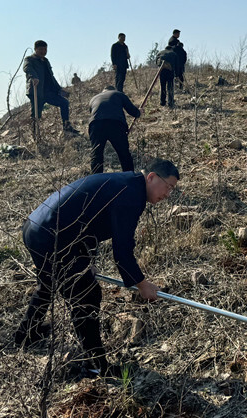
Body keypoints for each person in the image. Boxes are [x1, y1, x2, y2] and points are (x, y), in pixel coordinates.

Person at [14, 159, 179, 376]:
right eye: (168, 187)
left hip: (36, 227)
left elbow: (90, 221)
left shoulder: (125, 184)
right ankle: (95, 365)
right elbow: (122, 250)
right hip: (53, 235)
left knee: (49, 281)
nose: (168, 194)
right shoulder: (131, 195)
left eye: (172, 190)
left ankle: (27, 334)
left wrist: (86, 261)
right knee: (87, 295)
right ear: (151, 177)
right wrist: (141, 284)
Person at [24, 40, 79, 135]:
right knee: (36, 115)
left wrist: (60, 89)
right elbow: (27, 68)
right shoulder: (29, 59)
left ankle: (66, 127)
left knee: (64, 103)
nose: (43, 51)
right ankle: (36, 136)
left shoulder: (46, 61)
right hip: (37, 92)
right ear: (35, 49)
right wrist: (34, 77)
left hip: (49, 92)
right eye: (41, 49)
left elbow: (51, 77)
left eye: (45, 49)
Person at [88, 85, 141, 174]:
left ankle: (96, 181)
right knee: (124, 153)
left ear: (103, 91)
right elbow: (132, 111)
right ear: (113, 90)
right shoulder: (118, 94)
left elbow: (93, 113)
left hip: (95, 125)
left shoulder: (93, 98)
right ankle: (129, 177)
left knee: (96, 155)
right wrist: (139, 112)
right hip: (115, 124)